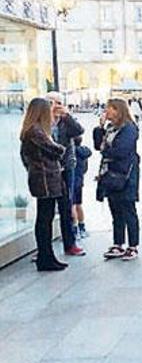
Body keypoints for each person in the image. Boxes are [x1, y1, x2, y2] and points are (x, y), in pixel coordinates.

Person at [20, 98, 69, 272]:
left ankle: (47, 256)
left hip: (45, 177)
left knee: (45, 218)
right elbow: (55, 150)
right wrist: (60, 149)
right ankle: (45, 257)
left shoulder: (32, 130)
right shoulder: (35, 131)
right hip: (45, 179)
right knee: (44, 219)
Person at [95, 98, 140, 261]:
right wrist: (99, 127)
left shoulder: (129, 128)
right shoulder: (109, 128)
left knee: (128, 209)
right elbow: (97, 145)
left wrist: (106, 151)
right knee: (115, 210)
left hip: (124, 174)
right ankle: (118, 243)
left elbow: (121, 150)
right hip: (110, 173)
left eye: (109, 109)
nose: (106, 111)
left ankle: (133, 245)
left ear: (118, 110)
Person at [46, 92, 85, 256]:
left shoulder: (65, 122)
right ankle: (44, 248)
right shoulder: (42, 122)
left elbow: (79, 131)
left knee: (66, 206)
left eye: (59, 102)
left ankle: (70, 243)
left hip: (66, 168)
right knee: (46, 210)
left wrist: (66, 115)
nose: (56, 105)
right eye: (52, 102)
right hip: (47, 170)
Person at [71, 136, 92, 239]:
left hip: (72, 181)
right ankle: (82, 227)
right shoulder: (83, 153)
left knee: (72, 205)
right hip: (80, 181)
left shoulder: (71, 152)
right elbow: (85, 169)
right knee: (78, 205)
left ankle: (74, 230)